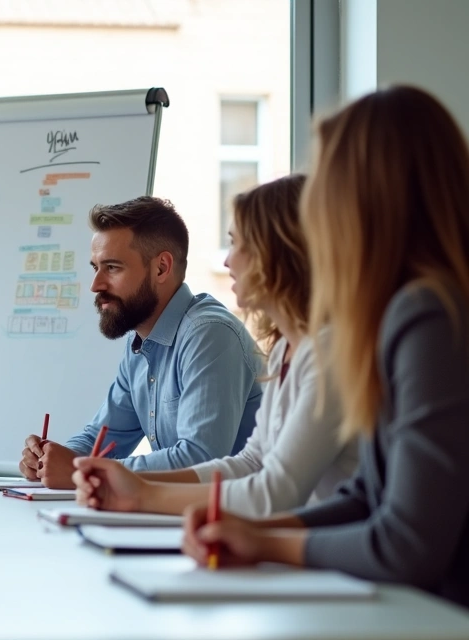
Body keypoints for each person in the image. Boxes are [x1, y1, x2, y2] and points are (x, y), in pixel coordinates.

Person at [181, 86, 469, 608]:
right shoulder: (409, 308)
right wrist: (251, 531)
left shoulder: (428, 314)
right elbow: (368, 498)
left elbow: (407, 543)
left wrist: (267, 541)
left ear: (367, 200)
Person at [71, 175, 358, 517]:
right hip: (293, 540)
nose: (227, 261)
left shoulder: (327, 354)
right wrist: (129, 483)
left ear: (283, 253)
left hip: (325, 554)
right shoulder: (286, 349)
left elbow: (276, 491)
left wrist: (141, 494)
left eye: (238, 244)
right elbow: (252, 462)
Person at [20, 196, 263, 488]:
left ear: (161, 268)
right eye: (95, 267)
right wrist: (47, 460)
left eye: (112, 268)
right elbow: (101, 438)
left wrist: (80, 470)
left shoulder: (209, 335)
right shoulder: (142, 343)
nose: (96, 285)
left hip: (239, 522)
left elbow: (200, 460)